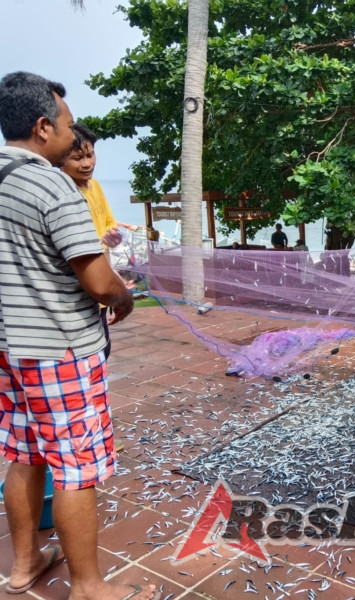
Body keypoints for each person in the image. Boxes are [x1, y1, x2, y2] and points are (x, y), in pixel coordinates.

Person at [0, 72, 157, 600]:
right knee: (74, 464)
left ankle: (24, 566)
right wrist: (125, 295)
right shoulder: (50, 183)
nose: (73, 135)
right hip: (57, 345)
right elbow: (96, 279)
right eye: (67, 124)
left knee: (24, 452)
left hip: (8, 345)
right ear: (43, 127)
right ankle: (89, 586)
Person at [61, 123, 125, 360]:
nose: (87, 163)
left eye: (90, 155)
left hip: (102, 280)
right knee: (86, 354)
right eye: (77, 158)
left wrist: (111, 236)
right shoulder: (65, 193)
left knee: (103, 349)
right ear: (61, 159)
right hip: (82, 286)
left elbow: (109, 222)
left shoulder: (94, 186)